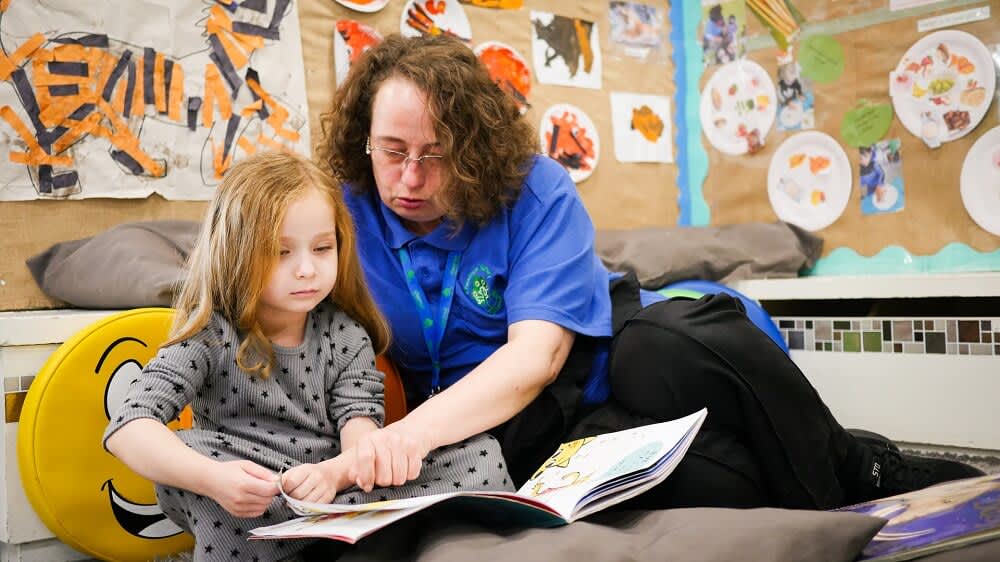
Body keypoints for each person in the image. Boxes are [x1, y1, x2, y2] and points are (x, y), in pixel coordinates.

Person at [316, 33, 983, 514]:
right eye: (392, 151)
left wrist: (410, 433)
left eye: (436, 155)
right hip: (520, 423)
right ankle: (846, 463)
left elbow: (538, 357)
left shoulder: (534, 187)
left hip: (597, 353)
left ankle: (852, 476)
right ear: (364, 140)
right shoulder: (341, 214)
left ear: (474, 147)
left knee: (666, 341)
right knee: (721, 479)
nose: (409, 177)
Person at [103, 152, 513, 561]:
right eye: (281, 252)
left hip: (330, 481)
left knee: (477, 453)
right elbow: (127, 427)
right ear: (237, 251)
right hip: (249, 491)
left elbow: (360, 432)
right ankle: (331, 533)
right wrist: (214, 479)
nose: (306, 269)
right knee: (189, 452)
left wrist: (336, 476)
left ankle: (326, 534)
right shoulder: (210, 334)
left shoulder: (344, 333)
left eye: (321, 248)